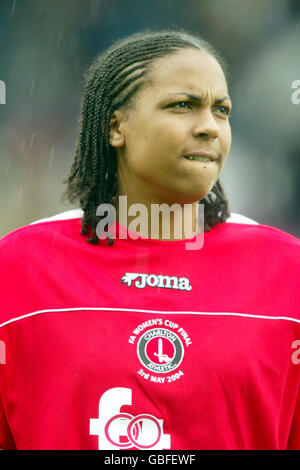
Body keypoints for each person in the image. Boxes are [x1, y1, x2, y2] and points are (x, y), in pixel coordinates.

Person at [0, 28, 299, 451]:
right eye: (183, 106)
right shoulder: (19, 267)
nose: (210, 127)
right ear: (116, 127)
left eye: (222, 110)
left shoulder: (287, 270)